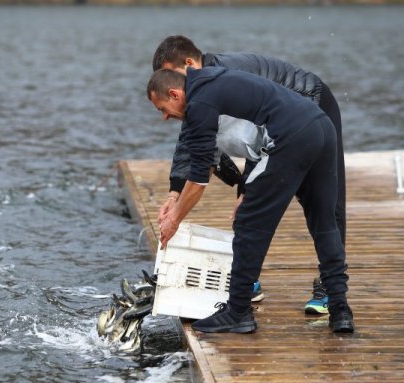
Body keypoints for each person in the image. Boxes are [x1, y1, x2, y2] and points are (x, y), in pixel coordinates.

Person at [146, 66, 354, 334]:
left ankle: (238, 311)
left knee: (248, 224)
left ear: (174, 94)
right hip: (321, 125)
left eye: (162, 108)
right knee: (324, 222)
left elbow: (198, 182)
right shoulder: (213, 82)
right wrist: (176, 198)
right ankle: (340, 309)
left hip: (289, 136)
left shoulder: (199, 104)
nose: (164, 117)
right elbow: (206, 162)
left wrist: (173, 221)